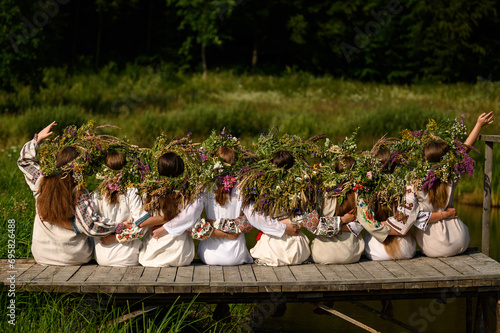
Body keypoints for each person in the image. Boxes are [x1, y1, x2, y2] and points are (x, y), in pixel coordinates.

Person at [17, 121, 121, 265]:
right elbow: (91, 226)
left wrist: (37, 139)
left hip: (42, 254)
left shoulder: (41, 180)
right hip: (73, 256)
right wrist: (116, 226)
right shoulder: (78, 191)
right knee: (91, 232)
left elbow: (24, 161)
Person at [415, 112, 494, 257]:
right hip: (461, 240)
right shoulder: (449, 177)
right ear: (447, 161)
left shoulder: (417, 184)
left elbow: (415, 218)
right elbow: (464, 149)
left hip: (435, 247)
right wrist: (478, 125)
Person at [92, 150, 163, 266]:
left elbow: (91, 226)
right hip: (129, 257)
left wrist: (113, 235)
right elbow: (141, 226)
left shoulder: (95, 195)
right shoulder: (131, 192)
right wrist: (119, 235)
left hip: (102, 257)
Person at [138, 152, 203, 267]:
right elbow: (191, 216)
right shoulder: (188, 194)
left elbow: (141, 221)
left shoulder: (148, 193)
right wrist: (171, 219)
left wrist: (163, 226)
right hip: (181, 254)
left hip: (153, 255)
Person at [246, 150, 309, 266]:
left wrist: (281, 224)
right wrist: (288, 223)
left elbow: (255, 218)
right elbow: (308, 215)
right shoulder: (301, 186)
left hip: (271, 250)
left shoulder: (262, 188)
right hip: (297, 249)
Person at [197, 146, 253, 265]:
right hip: (236, 254)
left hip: (209, 255)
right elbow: (251, 221)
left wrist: (213, 224)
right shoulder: (242, 186)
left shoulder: (206, 187)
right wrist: (231, 231)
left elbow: (194, 223)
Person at [311, 156, 364, 264]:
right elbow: (363, 223)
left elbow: (314, 225)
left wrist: (334, 224)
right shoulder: (359, 194)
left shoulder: (324, 195)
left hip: (323, 254)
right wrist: (343, 221)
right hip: (351, 253)